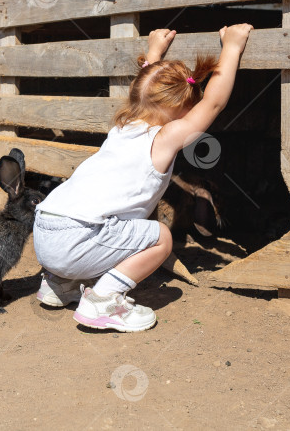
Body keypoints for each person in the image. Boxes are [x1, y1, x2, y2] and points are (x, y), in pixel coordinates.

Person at [32, 23, 254, 332]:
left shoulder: (124, 126)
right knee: (161, 237)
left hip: (45, 232)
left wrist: (154, 53)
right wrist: (231, 48)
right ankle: (103, 301)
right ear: (182, 110)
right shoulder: (164, 137)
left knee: (110, 224)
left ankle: (58, 285)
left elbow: (148, 87)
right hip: (76, 238)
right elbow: (213, 103)